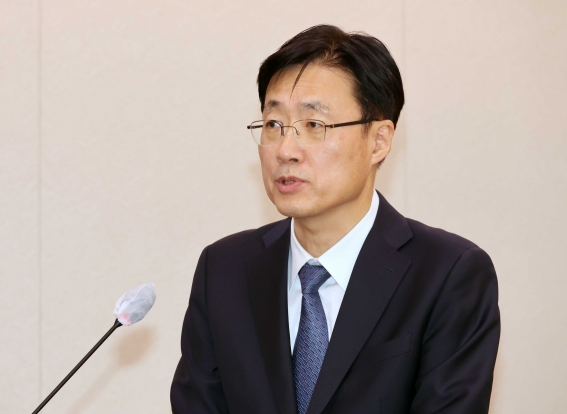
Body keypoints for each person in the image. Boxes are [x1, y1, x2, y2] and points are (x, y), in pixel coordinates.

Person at [170, 25, 500, 414]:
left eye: (314, 126)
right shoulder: (223, 270)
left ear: (378, 141)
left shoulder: (448, 275)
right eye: (274, 125)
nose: (285, 149)